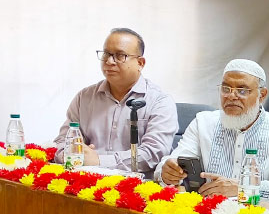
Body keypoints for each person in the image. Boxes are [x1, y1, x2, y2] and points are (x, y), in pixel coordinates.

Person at [154, 59, 269, 203]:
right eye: (226, 89)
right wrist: (168, 172)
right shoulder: (203, 123)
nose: (231, 96)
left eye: (242, 91)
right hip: (208, 212)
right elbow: (169, 164)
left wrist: (242, 189)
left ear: (261, 95)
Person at [53, 28, 178, 175]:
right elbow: (62, 142)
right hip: (85, 181)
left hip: (135, 184)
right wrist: (73, 154)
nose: (109, 61)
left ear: (140, 63)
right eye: (106, 54)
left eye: (120, 56)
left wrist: (99, 160)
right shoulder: (85, 97)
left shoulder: (159, 101)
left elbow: (154, 153)